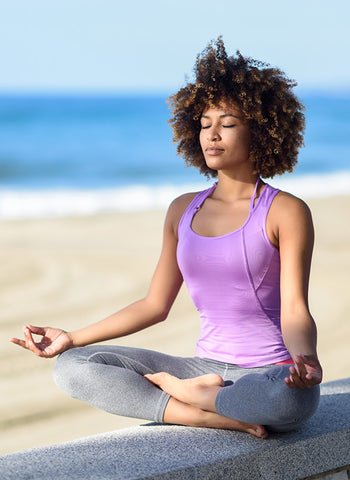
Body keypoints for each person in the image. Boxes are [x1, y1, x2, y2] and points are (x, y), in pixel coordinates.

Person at [10, 38, 322, 439]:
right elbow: (155, 305)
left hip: (266, 374)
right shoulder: (182, 210)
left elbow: (295, 308)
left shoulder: (285, 211)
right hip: (202, 368)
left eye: (227, 124)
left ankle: (194, 398)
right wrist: (71, 337)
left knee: (290, 403)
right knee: (72, 367)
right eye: (205, 124)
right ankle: (205, 411)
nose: (212, 135)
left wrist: (306, 360)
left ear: (260, 132)